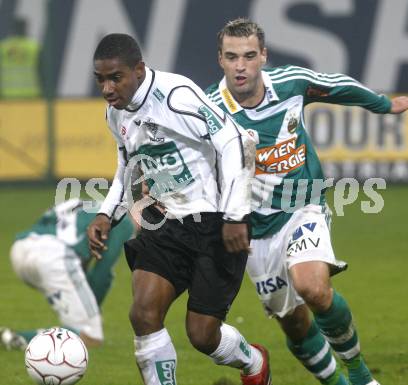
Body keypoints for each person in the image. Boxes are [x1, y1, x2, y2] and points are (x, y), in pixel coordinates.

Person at [205, 18, 408, 385]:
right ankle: (335, 382)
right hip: (254, 231)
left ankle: (360, 375)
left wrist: (384, 105)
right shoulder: (208, 109)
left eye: (249, 56)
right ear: (220, 60)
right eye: (232, 57)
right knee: (294, 321)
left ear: (263, 56)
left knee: (313, 287)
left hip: (302, 203)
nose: (241, 66)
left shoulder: (289, 83)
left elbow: (337, 86)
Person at [87, 33, 271, 385]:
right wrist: (105, 215)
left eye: (115, 78)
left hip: (215, 224)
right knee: (143, 314)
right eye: (100, 80)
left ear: (138, 70)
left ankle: (253, 361)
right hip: (166, 224)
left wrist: (235, 215)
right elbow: (128, 166)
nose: (108, 89)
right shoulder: (115, 113)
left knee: (202, 335)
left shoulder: (175, 95)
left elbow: (234, 141)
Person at [0, 198, 135, 350]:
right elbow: (102, 273)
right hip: (55, 257)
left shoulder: (90, 203)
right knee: (90, 336)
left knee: (82, 330)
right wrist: (91, 309)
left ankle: (16, 339)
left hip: (21, 250)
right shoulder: (123, 220)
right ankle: (17, 338)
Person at [0, 17, 42, 99]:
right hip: (31, 95)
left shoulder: (3, 47)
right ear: (25, 29)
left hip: (7, 95)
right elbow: (43, 72)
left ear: (12, 30)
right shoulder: (34, 47)